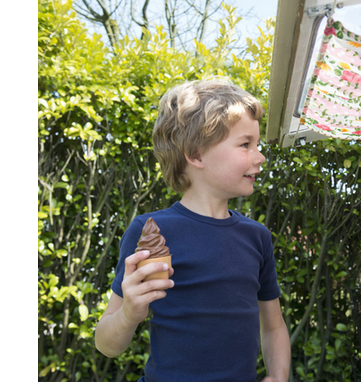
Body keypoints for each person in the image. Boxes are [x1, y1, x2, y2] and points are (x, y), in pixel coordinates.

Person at [95, 78, 290, 382]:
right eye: (245, 144)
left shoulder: (257, 237)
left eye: (258, 145)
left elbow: (274, 325)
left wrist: (278, 377)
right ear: (197, 155)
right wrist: (129, 314)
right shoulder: (151, 232)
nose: (260, 156)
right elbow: (107, 345)